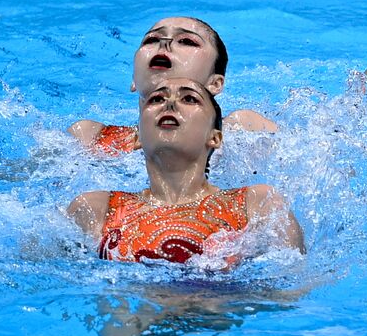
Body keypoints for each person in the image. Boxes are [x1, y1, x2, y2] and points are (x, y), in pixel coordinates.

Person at [67, 78, 304, 265]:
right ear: (137, 136)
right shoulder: (96, 208)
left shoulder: (256, 203)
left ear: (215, 138)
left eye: (189, 99)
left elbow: (290, 288)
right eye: (156, 99)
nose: (169, 103)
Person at [68, 16, 276, 155]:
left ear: (215, 83)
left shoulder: (243, 128)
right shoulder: (90, 137)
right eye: (151, 40)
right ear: (133, 80)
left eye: (186, 41)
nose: (164, 44)